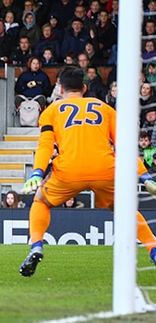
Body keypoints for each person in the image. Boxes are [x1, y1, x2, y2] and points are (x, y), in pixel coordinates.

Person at [19, 67, 156, 277]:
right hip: (105, 169)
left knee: (41, 201)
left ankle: (36, 245)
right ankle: (153, 248)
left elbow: (45, 145)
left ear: (60, 89)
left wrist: (37, 172)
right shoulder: (105, 108)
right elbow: (124, 145)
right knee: (123, 209)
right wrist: (144, 175)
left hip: (68, 171)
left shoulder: (51, 111)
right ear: (84, 88)